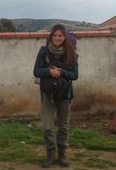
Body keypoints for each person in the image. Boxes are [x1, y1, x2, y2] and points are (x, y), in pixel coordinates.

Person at [33, 24, 78, 168]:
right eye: (55, 35)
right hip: (47, 94)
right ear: (51, 36)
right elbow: (36, 72)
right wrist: (49, 71)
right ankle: (50, 154)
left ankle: (63, 154)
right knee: (47, 126)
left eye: (60, 36)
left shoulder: (71, 54)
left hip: (65, 94)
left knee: (63, 126)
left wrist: (61, 72)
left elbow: (74, 75)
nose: (57, 38)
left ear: (64, 38)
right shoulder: (43, 52)